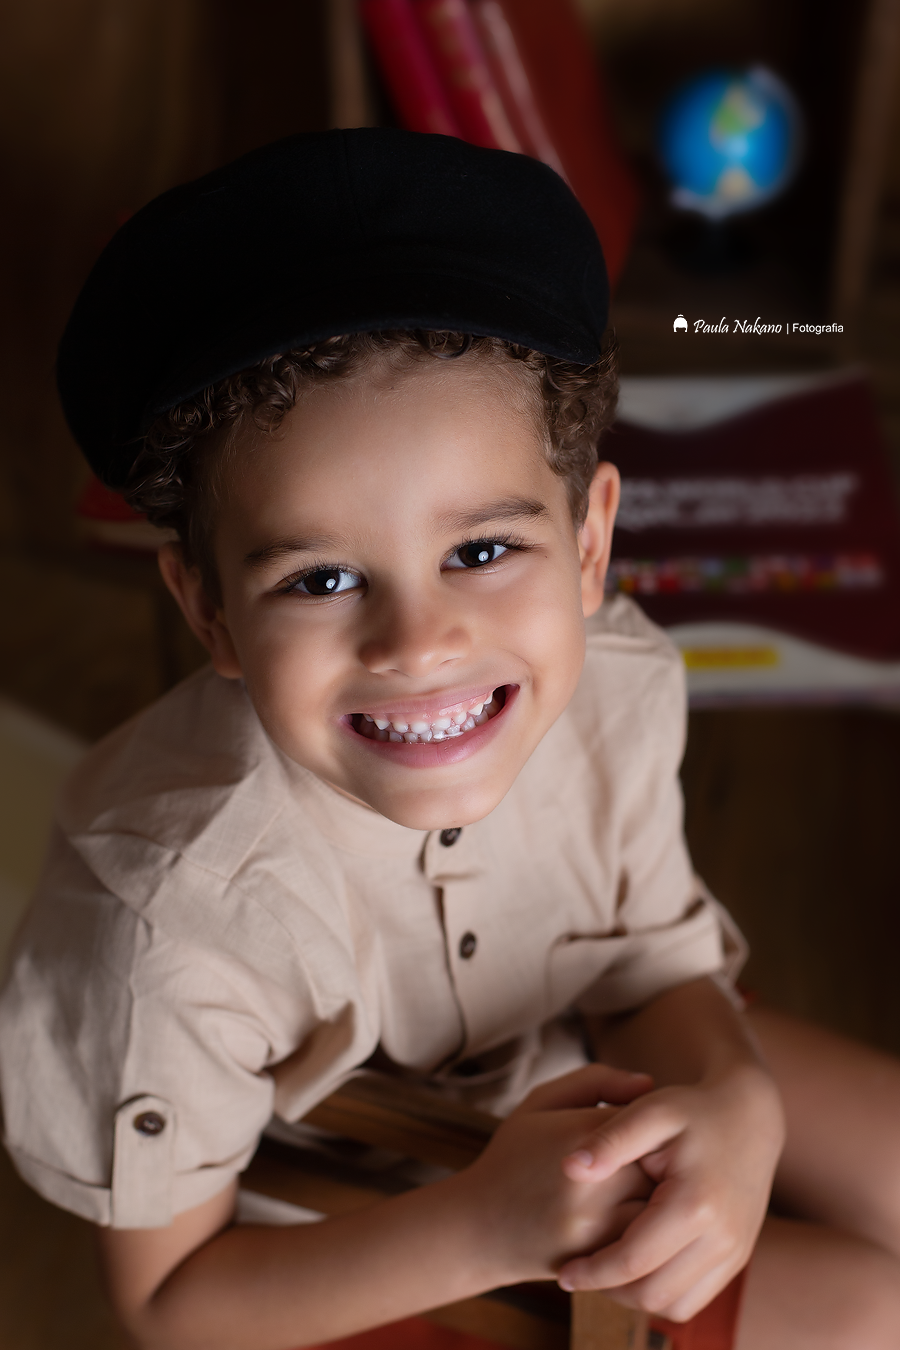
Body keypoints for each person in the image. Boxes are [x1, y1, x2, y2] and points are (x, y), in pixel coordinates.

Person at [1, 129, 899, 1350]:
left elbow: (647, 966)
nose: (419, 645)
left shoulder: (618, 684)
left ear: (589, 545)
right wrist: (488, 1226)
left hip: (569, 1046)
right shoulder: (162, 921)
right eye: (320, 578)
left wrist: (737, 1094)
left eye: (480, 551)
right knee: (874, 1310)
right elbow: (170, 1303)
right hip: (355, 1208)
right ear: (207, 609)